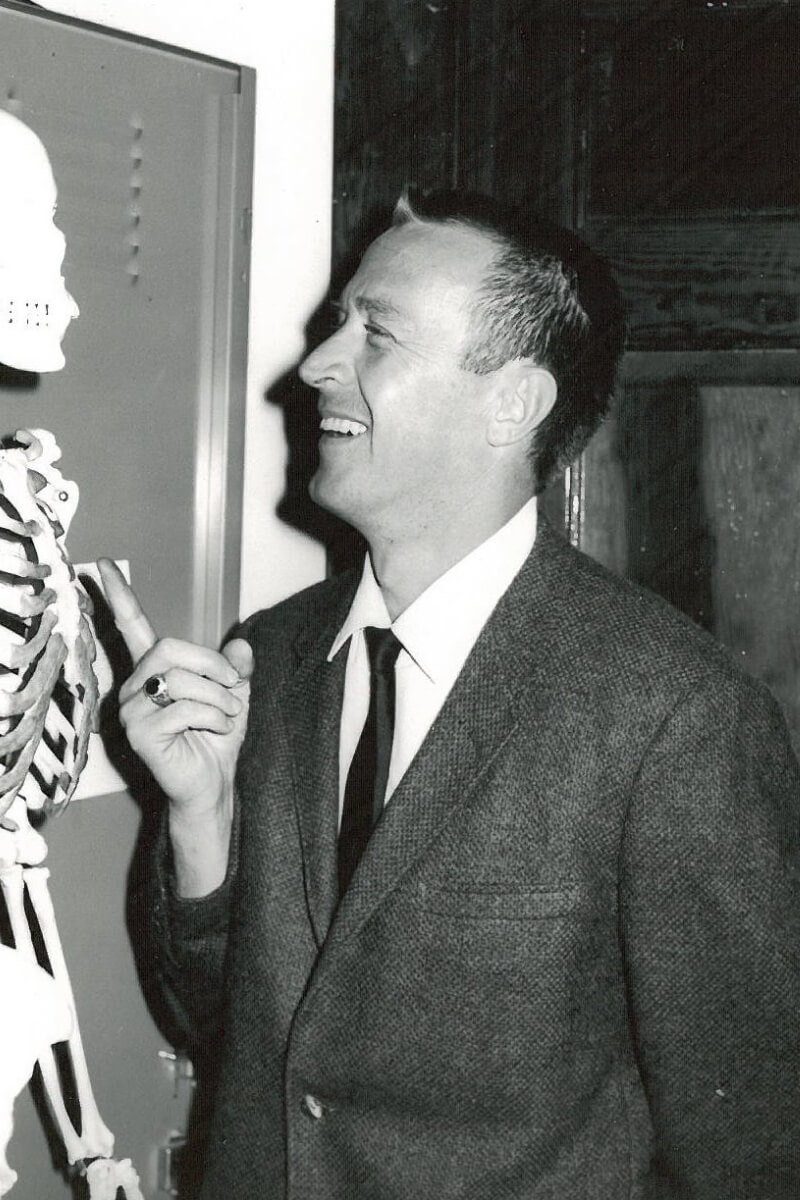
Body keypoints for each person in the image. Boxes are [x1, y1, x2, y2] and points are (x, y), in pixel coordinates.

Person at [100, 191, 800, 1199]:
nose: (314, 367)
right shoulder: (272, 657)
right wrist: (201, 823)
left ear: (511, 401)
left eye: (373, 332)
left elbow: (752, 1151)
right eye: (336, 324)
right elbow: (221, 1032)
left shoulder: (672, 716)